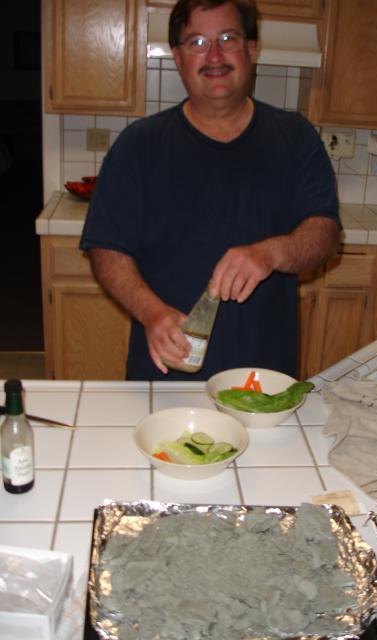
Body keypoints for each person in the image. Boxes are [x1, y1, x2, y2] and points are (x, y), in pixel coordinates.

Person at [80, 0, 341, 381]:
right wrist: (151, 312)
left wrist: (271, 253)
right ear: (178, 56)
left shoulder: (295, 138)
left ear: (251, 48)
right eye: (198, 42)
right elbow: (106, 249)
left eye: (228, 39)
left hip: (261, 381)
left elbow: (326, 235)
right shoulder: (138, 146)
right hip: (166, 374)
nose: (214, 56)